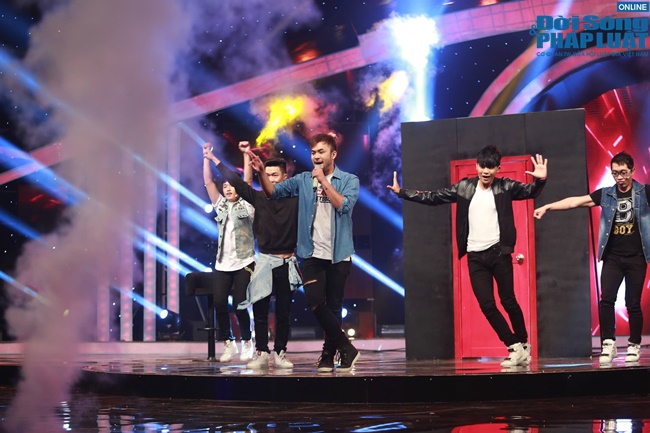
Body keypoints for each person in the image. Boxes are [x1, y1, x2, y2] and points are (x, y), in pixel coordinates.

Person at [388, 145, 548, 367]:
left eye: (490, 167)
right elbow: (434, 197)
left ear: (498, 169)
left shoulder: (506, 186)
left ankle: (523, 343)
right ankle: (514, 346)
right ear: (476, 166)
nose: (486, 171)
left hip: (499, 254)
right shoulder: (464, 187)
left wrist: (540, 181)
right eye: (482, 166)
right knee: (487, 305)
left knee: (508, 301)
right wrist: (402, 193)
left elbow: (531, 191)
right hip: (475, 256)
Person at [252, 133, 361, 372]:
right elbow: (272, 192)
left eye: (321, 152)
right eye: (313, 153)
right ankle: (346, 347)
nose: (316, 156)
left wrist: (323, 181)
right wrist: (261, 173)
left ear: (333, 154)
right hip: (311, 253)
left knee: (334, 306)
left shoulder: (349, 180)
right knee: (314, 302)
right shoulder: (303, 180)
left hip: (339, 253)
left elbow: (344, 205)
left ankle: (328, 354)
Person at [534, 151, 649, 364]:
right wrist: (548, 206)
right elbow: (576, 202)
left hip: (637, 257)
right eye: (615, 173)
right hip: (613, 257)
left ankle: (634, 345)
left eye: (623, 172)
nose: (620, 177)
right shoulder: (607, 194)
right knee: (606, 300)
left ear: (633, 171)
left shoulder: (645, 193)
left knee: (632, 303)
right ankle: (608, 344)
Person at [205, 140, 301, 370]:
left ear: (285, 177)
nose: (271, 179)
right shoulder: (257, 198)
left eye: (275, 175)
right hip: (265, 260)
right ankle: (261, 352)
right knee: (259, 310)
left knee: (284, 312)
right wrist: (214, 158)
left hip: (286, 261)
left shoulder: (296, 200)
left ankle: (280, 352)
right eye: (268, 174)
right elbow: (238, 181)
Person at [202, 143, 256, 363]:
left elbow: (248, 181)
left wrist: (246, 155)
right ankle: (228, 342)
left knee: (240, 304)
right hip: (222, 263)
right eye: (224, 185)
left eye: (231, 185)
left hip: (244, 261)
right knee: (219, 303)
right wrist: (206, 157)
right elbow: (208, 182)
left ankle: (247, 342)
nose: (227, 188)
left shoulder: (248, 204)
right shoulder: (221, 205)